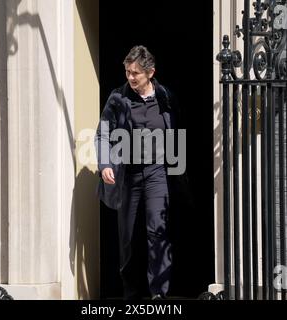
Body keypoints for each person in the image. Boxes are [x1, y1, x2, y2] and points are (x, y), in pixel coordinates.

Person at [95, 45, 187, 300]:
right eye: (127, 72)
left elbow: (178, 132)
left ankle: (159, 293)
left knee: (158, 231)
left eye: (135, 73)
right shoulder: (118, 98)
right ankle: (131, 293)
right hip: (128, 175)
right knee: (127, 236)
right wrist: (105, 164)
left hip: (157, 173)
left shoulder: (166, 97)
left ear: (150, 73)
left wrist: (178, 170)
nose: (130, 77)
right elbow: (102, 133)